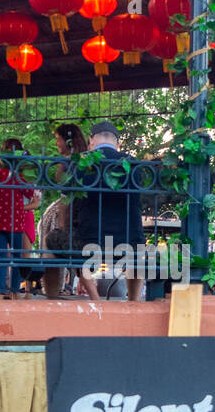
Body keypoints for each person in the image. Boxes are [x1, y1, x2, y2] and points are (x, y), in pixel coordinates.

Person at [73, 121, 145, 302]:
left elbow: (71, 200)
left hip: (90, 239)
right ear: (117, 144)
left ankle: (95, 299)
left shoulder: (82, 164)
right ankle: (134, 301)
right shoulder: (132, 164)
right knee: (138, 255)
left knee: (56, 241)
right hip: (129, 240)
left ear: (91, 141)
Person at [0, 138, 36, 299]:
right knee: (17, 257)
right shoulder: (19, 174)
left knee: (0, 257)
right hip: (15, 222)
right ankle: (15, 291)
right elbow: (29, 193)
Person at [40, 123, 87, 298]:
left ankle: (54, 289)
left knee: (49, 236)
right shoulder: (79, 158)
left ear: (67, 140)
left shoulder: (71, 161)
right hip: (70, 207)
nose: (56, 143)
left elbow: (66, 193)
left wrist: (61, 223)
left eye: (58, 139)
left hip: (70, 210)